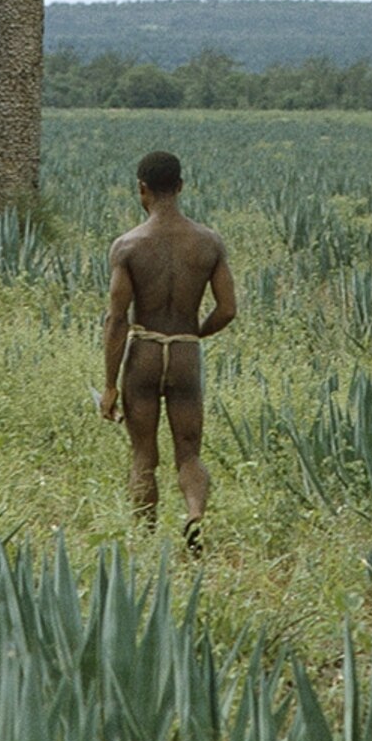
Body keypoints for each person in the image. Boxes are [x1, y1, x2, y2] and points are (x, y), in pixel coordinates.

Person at [100, 149, 236, 545]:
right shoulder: (209, 243)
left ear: (141, 189)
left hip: (144, 352)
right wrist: (193, 336)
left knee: (143, 455)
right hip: (184, 353)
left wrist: (109, 385)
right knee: (189, 453)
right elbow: (227, 310)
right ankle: (194, 513)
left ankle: (145, 540)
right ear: (180, 186)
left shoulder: (128, 246)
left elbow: (117, 320)